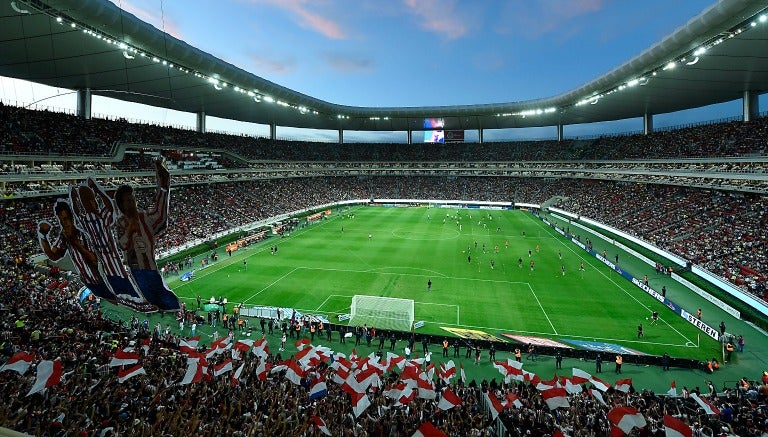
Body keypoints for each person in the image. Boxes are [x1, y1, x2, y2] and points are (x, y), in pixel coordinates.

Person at [114, 158, 180, 311]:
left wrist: (163, 185)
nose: (132, 203)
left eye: (132, 199)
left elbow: (160, 216)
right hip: (137, 270)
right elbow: (122, 244)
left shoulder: (144, 218)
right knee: (151, 300)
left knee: (169, 302)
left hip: (150, 268)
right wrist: (130, 229)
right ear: (121, 205)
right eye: (127, 201)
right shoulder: (121, 223)